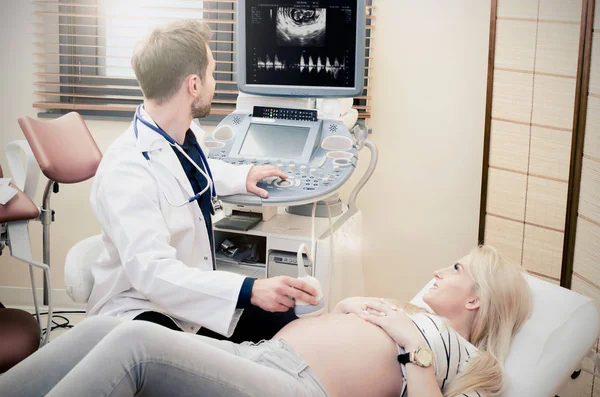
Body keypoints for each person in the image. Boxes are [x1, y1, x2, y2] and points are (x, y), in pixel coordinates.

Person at [0, 245, 532, 397]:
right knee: (102, 328)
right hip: (263, 358)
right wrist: (338, 310)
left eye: (457, 269)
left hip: (298, 387)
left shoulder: (475, 365)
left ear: (477, 301)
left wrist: (408, 343)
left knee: (139, 343)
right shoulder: (410, 313)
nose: (439, 269)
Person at [86, 19, 319, 341]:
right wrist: (249, 289)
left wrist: (242, 175)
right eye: (212, 73)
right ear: (193, 85)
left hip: (188, 299)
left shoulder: (183, 135)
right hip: (142, 312)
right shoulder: (126, 171)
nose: (214, 82)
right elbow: (153, 274)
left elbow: (192, 171)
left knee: (294, 324)